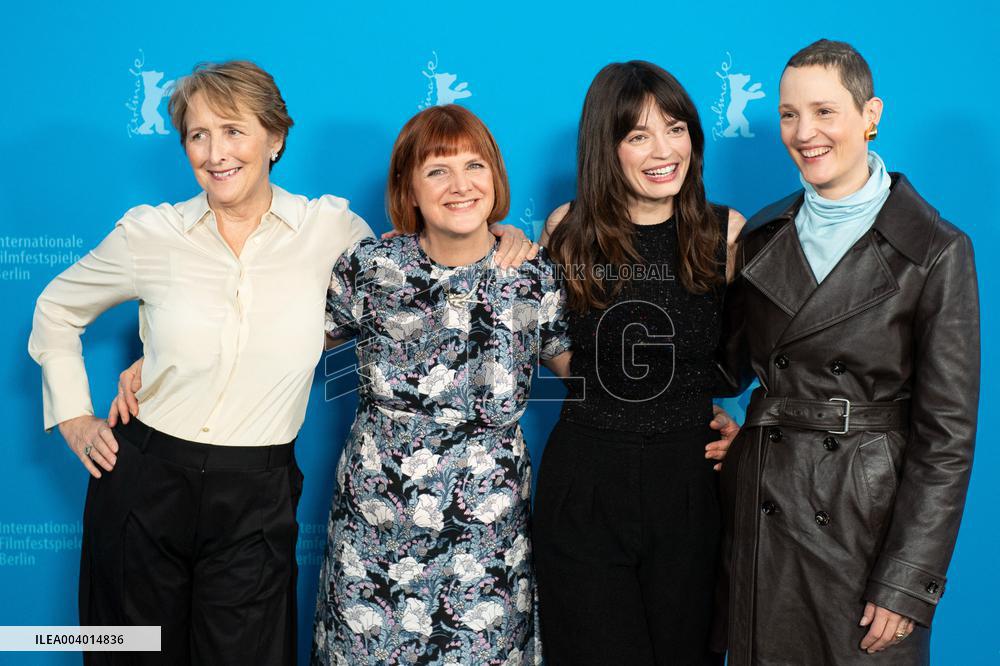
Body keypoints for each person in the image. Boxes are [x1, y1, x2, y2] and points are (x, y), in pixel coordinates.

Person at [30, 60, 534, 665]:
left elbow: (422, 263)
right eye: (198, 135)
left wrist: (500, 236)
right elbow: (56, 311)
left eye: (234, 130)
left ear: (275, 138)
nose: (216, 153)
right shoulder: (150, 234)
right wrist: (73, 416)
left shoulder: (331, 230)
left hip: (257, 490)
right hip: (143, 479)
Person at [714, 39, 980, 665]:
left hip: (867, 526)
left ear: (870, 114)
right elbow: (722, 365)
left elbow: (947, 437)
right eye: (787, 114)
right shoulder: (761, 233)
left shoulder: (937, 249)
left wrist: (907, 582)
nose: (804, 133)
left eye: (825, 111)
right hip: (766, 514)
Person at [309, 104, 571, 665]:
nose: (460, 185)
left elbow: (587, 373)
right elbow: (287, 350)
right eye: (437, 171)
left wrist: (698, 409)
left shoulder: (534, 274)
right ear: (409, 187)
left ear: (495, 178)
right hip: (376, 525)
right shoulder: (369, 266)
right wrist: (166, 362)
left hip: (488, 530)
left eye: (474, 166)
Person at [535, 61, 744, 665]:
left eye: (675, 128)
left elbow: (768, 353)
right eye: (638, 135)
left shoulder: (724, 233)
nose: (664, 150)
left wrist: (751, 428)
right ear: (608, 146)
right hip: (586, 480)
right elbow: (550, 342)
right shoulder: (566, 232)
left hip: (689, 483)